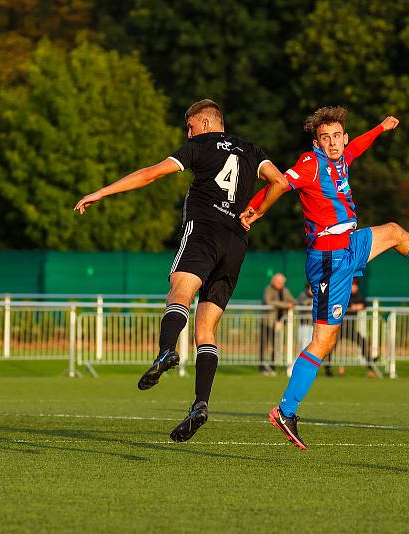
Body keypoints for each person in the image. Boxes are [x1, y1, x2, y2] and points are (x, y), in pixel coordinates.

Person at [240, 106, 409, 450]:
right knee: (323, 341)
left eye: (338, 136)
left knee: (395, 232)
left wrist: (381, 128)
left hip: (349, 243)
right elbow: (279, 183)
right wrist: (254, 209)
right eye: (326, 138)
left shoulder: (342, 159)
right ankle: (286, 411)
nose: (334, 142)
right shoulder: (311, 162)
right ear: (317, 143)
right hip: (329, 258)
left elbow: (358, 147)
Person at [74, 99, 289, 442]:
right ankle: (200, 403)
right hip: (235, 243)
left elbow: (152, 173)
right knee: (206, 329)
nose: (187, 133)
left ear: (205, 125)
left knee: (179, 292)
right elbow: (280, 182)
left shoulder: (199, 145)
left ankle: (165, 349)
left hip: (203, 231)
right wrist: (256, 211)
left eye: (189, 127)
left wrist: (101, 192)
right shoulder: (251, 149)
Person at [323, 278, 377, 377]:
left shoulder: (359, 296)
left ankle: (370, 363)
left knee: (362, 341)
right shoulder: (343, 294)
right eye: (352, 285)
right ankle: (327, 367)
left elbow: (364, 303)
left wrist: (360, 306)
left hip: (350, 328)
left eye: (355, 285)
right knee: (331, 346)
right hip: (339, 327)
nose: (353, 287)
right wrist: (352, 307)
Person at [260, 273, 296, 375]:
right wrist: (285, 305)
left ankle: (272, 365)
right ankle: (262, 366)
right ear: (273, 281)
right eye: (279, 282)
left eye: (282, 282)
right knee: (265, 344)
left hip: (279, 322)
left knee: (275, 345)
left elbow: (292, 301)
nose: (281, 284)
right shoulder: (268, 289)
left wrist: (289, 304)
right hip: (267, 321)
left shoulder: (285, 290)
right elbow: (268, 301)